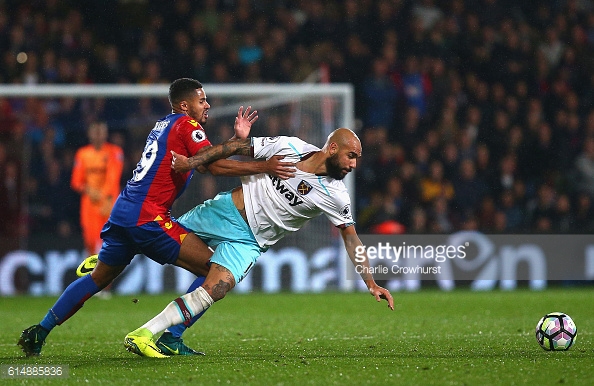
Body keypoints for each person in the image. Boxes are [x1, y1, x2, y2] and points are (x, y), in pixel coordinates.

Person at [17, 78, 295, 357]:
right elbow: (212, 166)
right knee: (213, 273)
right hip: (148, 217)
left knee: (98, 279)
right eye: (202, 100)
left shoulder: (165, 124)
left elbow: (204, 160)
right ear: (185, 105)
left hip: (123, 211)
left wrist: (237, 141)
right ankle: (171, 337)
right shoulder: (188, 125)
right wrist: (264, 166)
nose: (207, 105)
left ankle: (39, 331)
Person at [121, 128, 394, 358]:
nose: (354, 164)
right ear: (332, 148)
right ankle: (111, 258)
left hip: (250, 242)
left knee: (217, 286)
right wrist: (195, 161)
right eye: (351, 156)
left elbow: (351, 238)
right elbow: (238, 147)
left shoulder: (336, 196)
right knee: (157, 234)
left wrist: (370, 282)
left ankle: (149, 334)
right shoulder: (290, 147)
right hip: (224, 211)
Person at [71, 121, 124, 256]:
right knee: (89, 241)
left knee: (111, 242)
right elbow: (76, 181)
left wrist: (105, 197)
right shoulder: (82, 154)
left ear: (106, 133)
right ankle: (92, 274)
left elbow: (114, 177)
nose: (98, 135)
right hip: (89, 204)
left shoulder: (115, 152)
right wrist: (89, 190)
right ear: (89, 133)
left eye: (101, 131)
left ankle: (109, 274)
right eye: (95, 131)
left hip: (108, 202)